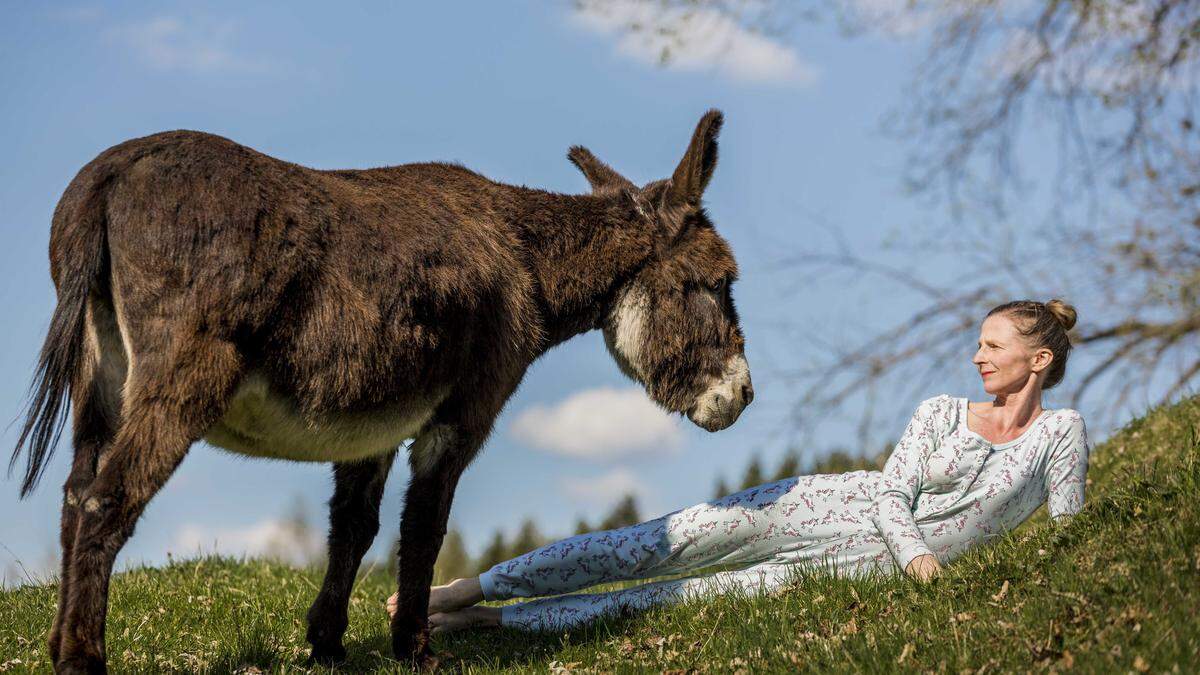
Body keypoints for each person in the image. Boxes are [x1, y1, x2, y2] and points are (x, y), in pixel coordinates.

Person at [386, 299, 1090, 633]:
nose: (978, 355)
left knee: (667, 599)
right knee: (654, 545)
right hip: (815, 507)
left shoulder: (1061, 432)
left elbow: (1069, 529)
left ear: (1040, 359)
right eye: (978, 342)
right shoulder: (940, 409)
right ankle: (471, 586)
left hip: (848, 570)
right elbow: (891, 494)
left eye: (994, 345)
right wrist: (923, 565)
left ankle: (495, 624)